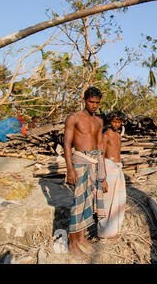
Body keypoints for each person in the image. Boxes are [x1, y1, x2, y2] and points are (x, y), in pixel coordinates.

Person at [63, 86, 108, 257]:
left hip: (94, 163)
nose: (94, 105)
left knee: (89, 202)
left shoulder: (99, 121)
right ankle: (72, 243)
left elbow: (99, 146)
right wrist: (70, 169)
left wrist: (102, 176)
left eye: (97, 103)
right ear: (84, 100)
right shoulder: (73, 118)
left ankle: (81, 238)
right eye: (91, 102)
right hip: (80, 162)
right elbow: (67, 144)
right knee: (78, 203)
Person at [97, 110, 126, 240]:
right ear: (110, 121)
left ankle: (113, 230)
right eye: (115, 121)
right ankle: (104, 232)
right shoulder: (106, 135)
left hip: (118, 169)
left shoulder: (118, 136)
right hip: (108, 168)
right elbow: (101, 155)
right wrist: (102, 177)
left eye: (119, 122)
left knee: (117, 201)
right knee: (107, 201)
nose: (117, 124)